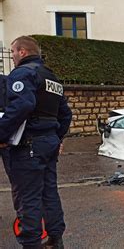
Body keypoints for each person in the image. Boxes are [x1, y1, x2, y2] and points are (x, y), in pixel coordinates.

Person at [0, 36, 72, 249]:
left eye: (13, 52)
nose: (12, 57)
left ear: (22, 51)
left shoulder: (23, 73)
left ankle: (31, 244)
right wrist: (56, 138)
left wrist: (2, 135)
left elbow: (22, 105)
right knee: (49, 193)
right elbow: (65, 115)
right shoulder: (52, 78)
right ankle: (55, 240)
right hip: (48, 143)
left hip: (28, 145)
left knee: (27, 197)